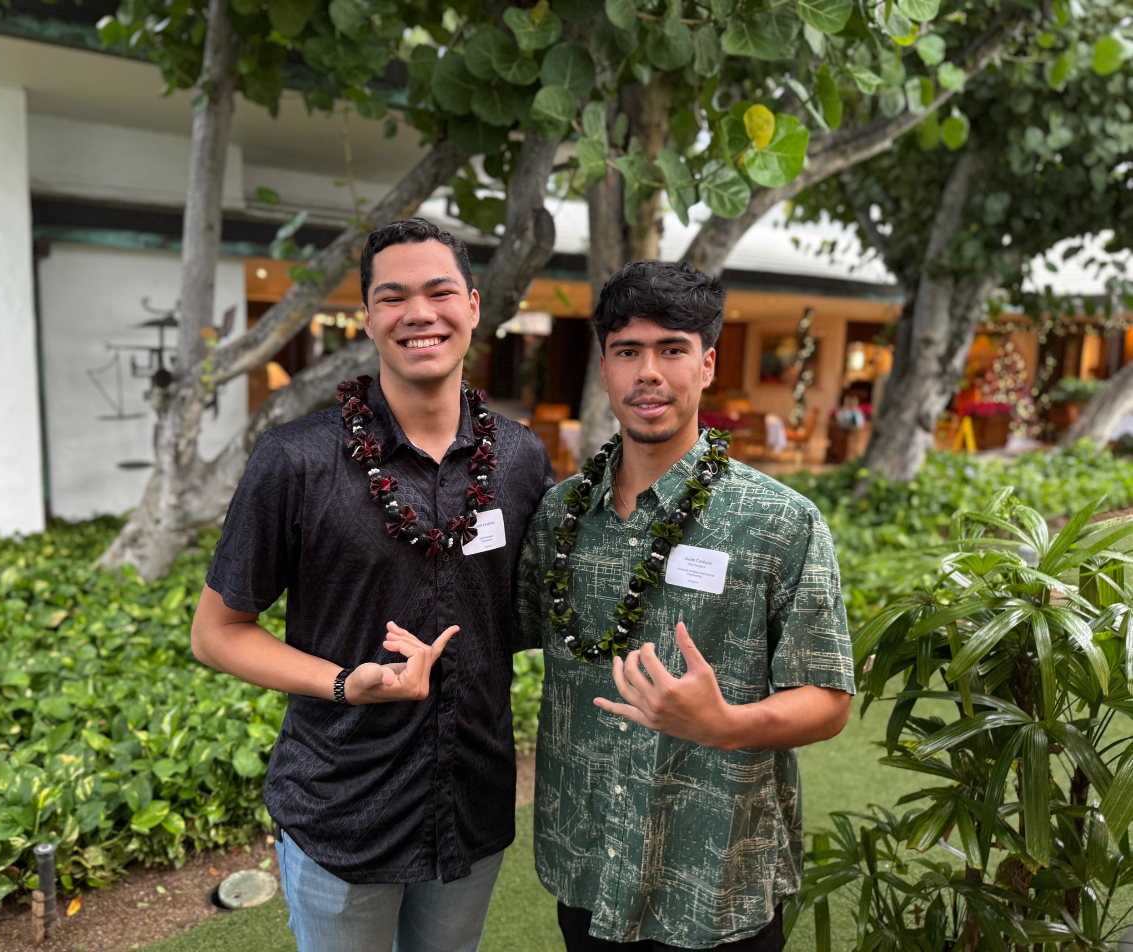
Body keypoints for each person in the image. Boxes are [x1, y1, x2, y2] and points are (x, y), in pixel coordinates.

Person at [192, 218, 554, 952]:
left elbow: (536, 611)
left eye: (439, 291)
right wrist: (343, 683)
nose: (418, 313)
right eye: (393, 297)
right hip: (342, 806)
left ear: (475, 305)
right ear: (366, 318)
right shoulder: (296, 460)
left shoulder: (518, 459)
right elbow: (215, 633)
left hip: (471, 804)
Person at [517, 260, 855, 952]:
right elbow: (504, 631)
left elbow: (827, 701)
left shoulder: (778, 522)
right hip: (586, 860)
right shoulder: (559, 516)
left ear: (704, 365)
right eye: (627, 352)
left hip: (714, 878)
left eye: (671, 349)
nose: (649, 372)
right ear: (604, 368)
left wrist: (725, 723)